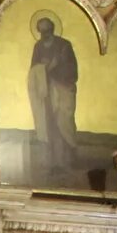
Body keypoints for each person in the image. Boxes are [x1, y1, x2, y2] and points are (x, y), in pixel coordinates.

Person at [26, 13, 81, 184]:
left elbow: (72, 69)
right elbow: (34, 70)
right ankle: (52, 164)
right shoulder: (38, 47)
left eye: (48, 30)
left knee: (63, 121)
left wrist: (57, 67)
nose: (45, 34)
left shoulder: (64, 45)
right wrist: (45, 67)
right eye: (42, 31)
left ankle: (66, 161)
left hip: (62, 89)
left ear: (52, 29)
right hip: (46, 91)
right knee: (49, 126)